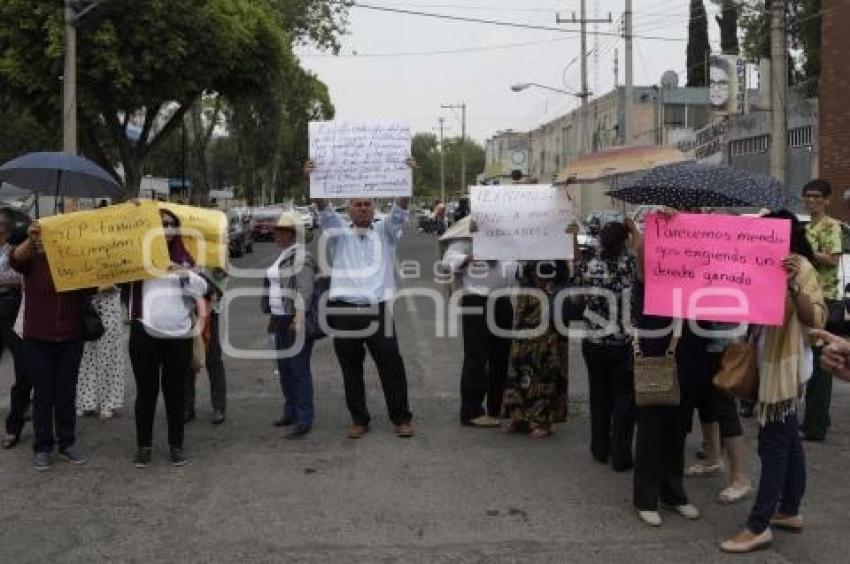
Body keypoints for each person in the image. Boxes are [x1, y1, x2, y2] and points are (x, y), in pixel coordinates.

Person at [721, 210, 825, 553]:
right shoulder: (761, 265)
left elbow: (816, 320)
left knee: (773, 445)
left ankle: (758, 524)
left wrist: (793, 286)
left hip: (786, 371)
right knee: (788, 441)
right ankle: (790, 509)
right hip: (768, 362)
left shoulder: (802, 268)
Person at [307, 158, 415, 439]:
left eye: (368, 203)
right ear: (349, 209)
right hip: (344, 311)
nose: (363, 208)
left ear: (374, 208)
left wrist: (406, 178)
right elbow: (323, 207)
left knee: (392, 364)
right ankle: (359, 419)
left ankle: (401, 418)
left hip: (377, 310)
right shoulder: (338, 232)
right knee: (351, 369)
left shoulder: (386, 231)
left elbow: (400, 211)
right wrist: (313, 180)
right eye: (358, 204)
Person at [628, 215, 700, 527]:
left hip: (690, 352)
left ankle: (674, 492)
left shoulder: (695, 273)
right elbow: (644, 262)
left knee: (679, 425)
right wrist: (654, 229)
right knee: (653, 423)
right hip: (657, 349)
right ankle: (646, 497)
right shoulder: (650, 277)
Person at [128, 209, 207, 468]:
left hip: (179, 334)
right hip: (145, 332)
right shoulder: (138, 255)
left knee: (175, 393)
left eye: (172, 224)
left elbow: (204, 289)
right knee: (146, 392)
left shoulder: (187, 256)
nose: (167, 229)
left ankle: (176, 446)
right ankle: (144, 446)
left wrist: (183, 272)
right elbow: (115, 270)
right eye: (161, 224)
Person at [10, 221, 90, 470]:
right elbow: (14, 258)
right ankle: (42, 447)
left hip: (70, 338)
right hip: (37, 338)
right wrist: (31, 240)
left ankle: (67, 443)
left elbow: (93, 283)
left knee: (66, 394)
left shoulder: (74, 262)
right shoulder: (31, 259)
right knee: (42, 395)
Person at [437, 222, 516, 427]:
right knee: (476, 355)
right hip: (476, 299)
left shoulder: (513, 231)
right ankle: (471, 410)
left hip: (503, 299)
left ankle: (495, 406)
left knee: (501, 355)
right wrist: (472, 255)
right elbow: (447, 262)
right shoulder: (469, 232)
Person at [572, 221, 636, 471]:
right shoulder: (630, 266)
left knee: (598, 396)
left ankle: (600, 448)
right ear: (624, 241)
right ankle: (621, 455)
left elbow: (577, 295)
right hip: (623, 341)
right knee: (624, 400)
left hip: (594, 341)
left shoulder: (589, 266)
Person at [264, 211, 316, 439]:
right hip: (280, 317)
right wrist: (273, 317)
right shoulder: (282, 255)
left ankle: (304, 418)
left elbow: (305, 290)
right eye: (277, 231)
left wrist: (298, 318)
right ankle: (290, 411)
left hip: (294, 318)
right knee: (284, 369)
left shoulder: (301, 257)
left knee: (298, 369)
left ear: (293, 234)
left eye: (282, 231)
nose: (278, 235)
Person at [502, 261, 568, 439]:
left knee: (544, 362)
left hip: (548, 300)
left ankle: (544, 420)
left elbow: (567, 264)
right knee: (519, 361)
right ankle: (518, 416)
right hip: (525, 301)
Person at [800, 179, 843, 441]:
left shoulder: (831, 226)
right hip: (807, 296)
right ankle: (819, 418)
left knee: (819, 362)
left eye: (817, 196)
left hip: (824, 300)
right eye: (808, 196)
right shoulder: (808, 226)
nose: (812, 200)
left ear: (827, 200)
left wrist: (808, 252)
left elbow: (833, 258)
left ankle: (815, 426)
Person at [185, 266, 228, 425]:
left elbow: (222, 275)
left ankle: (219, 407)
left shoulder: (215, 246)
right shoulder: (181, 245)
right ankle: (187, 407)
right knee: (187, 359)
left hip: (209, 309)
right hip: (185, 309)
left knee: (213, 359)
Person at [75, 285, 126, 419]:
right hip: (90, 307)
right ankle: (87, 402)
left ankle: (105, 404)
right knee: (87, 358)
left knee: (107, 358)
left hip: (107, 308)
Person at [1, 209, 28, 449]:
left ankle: (14, 426)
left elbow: (24, 278)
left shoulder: (17, 247)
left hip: (12, 310)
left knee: (23, 370)